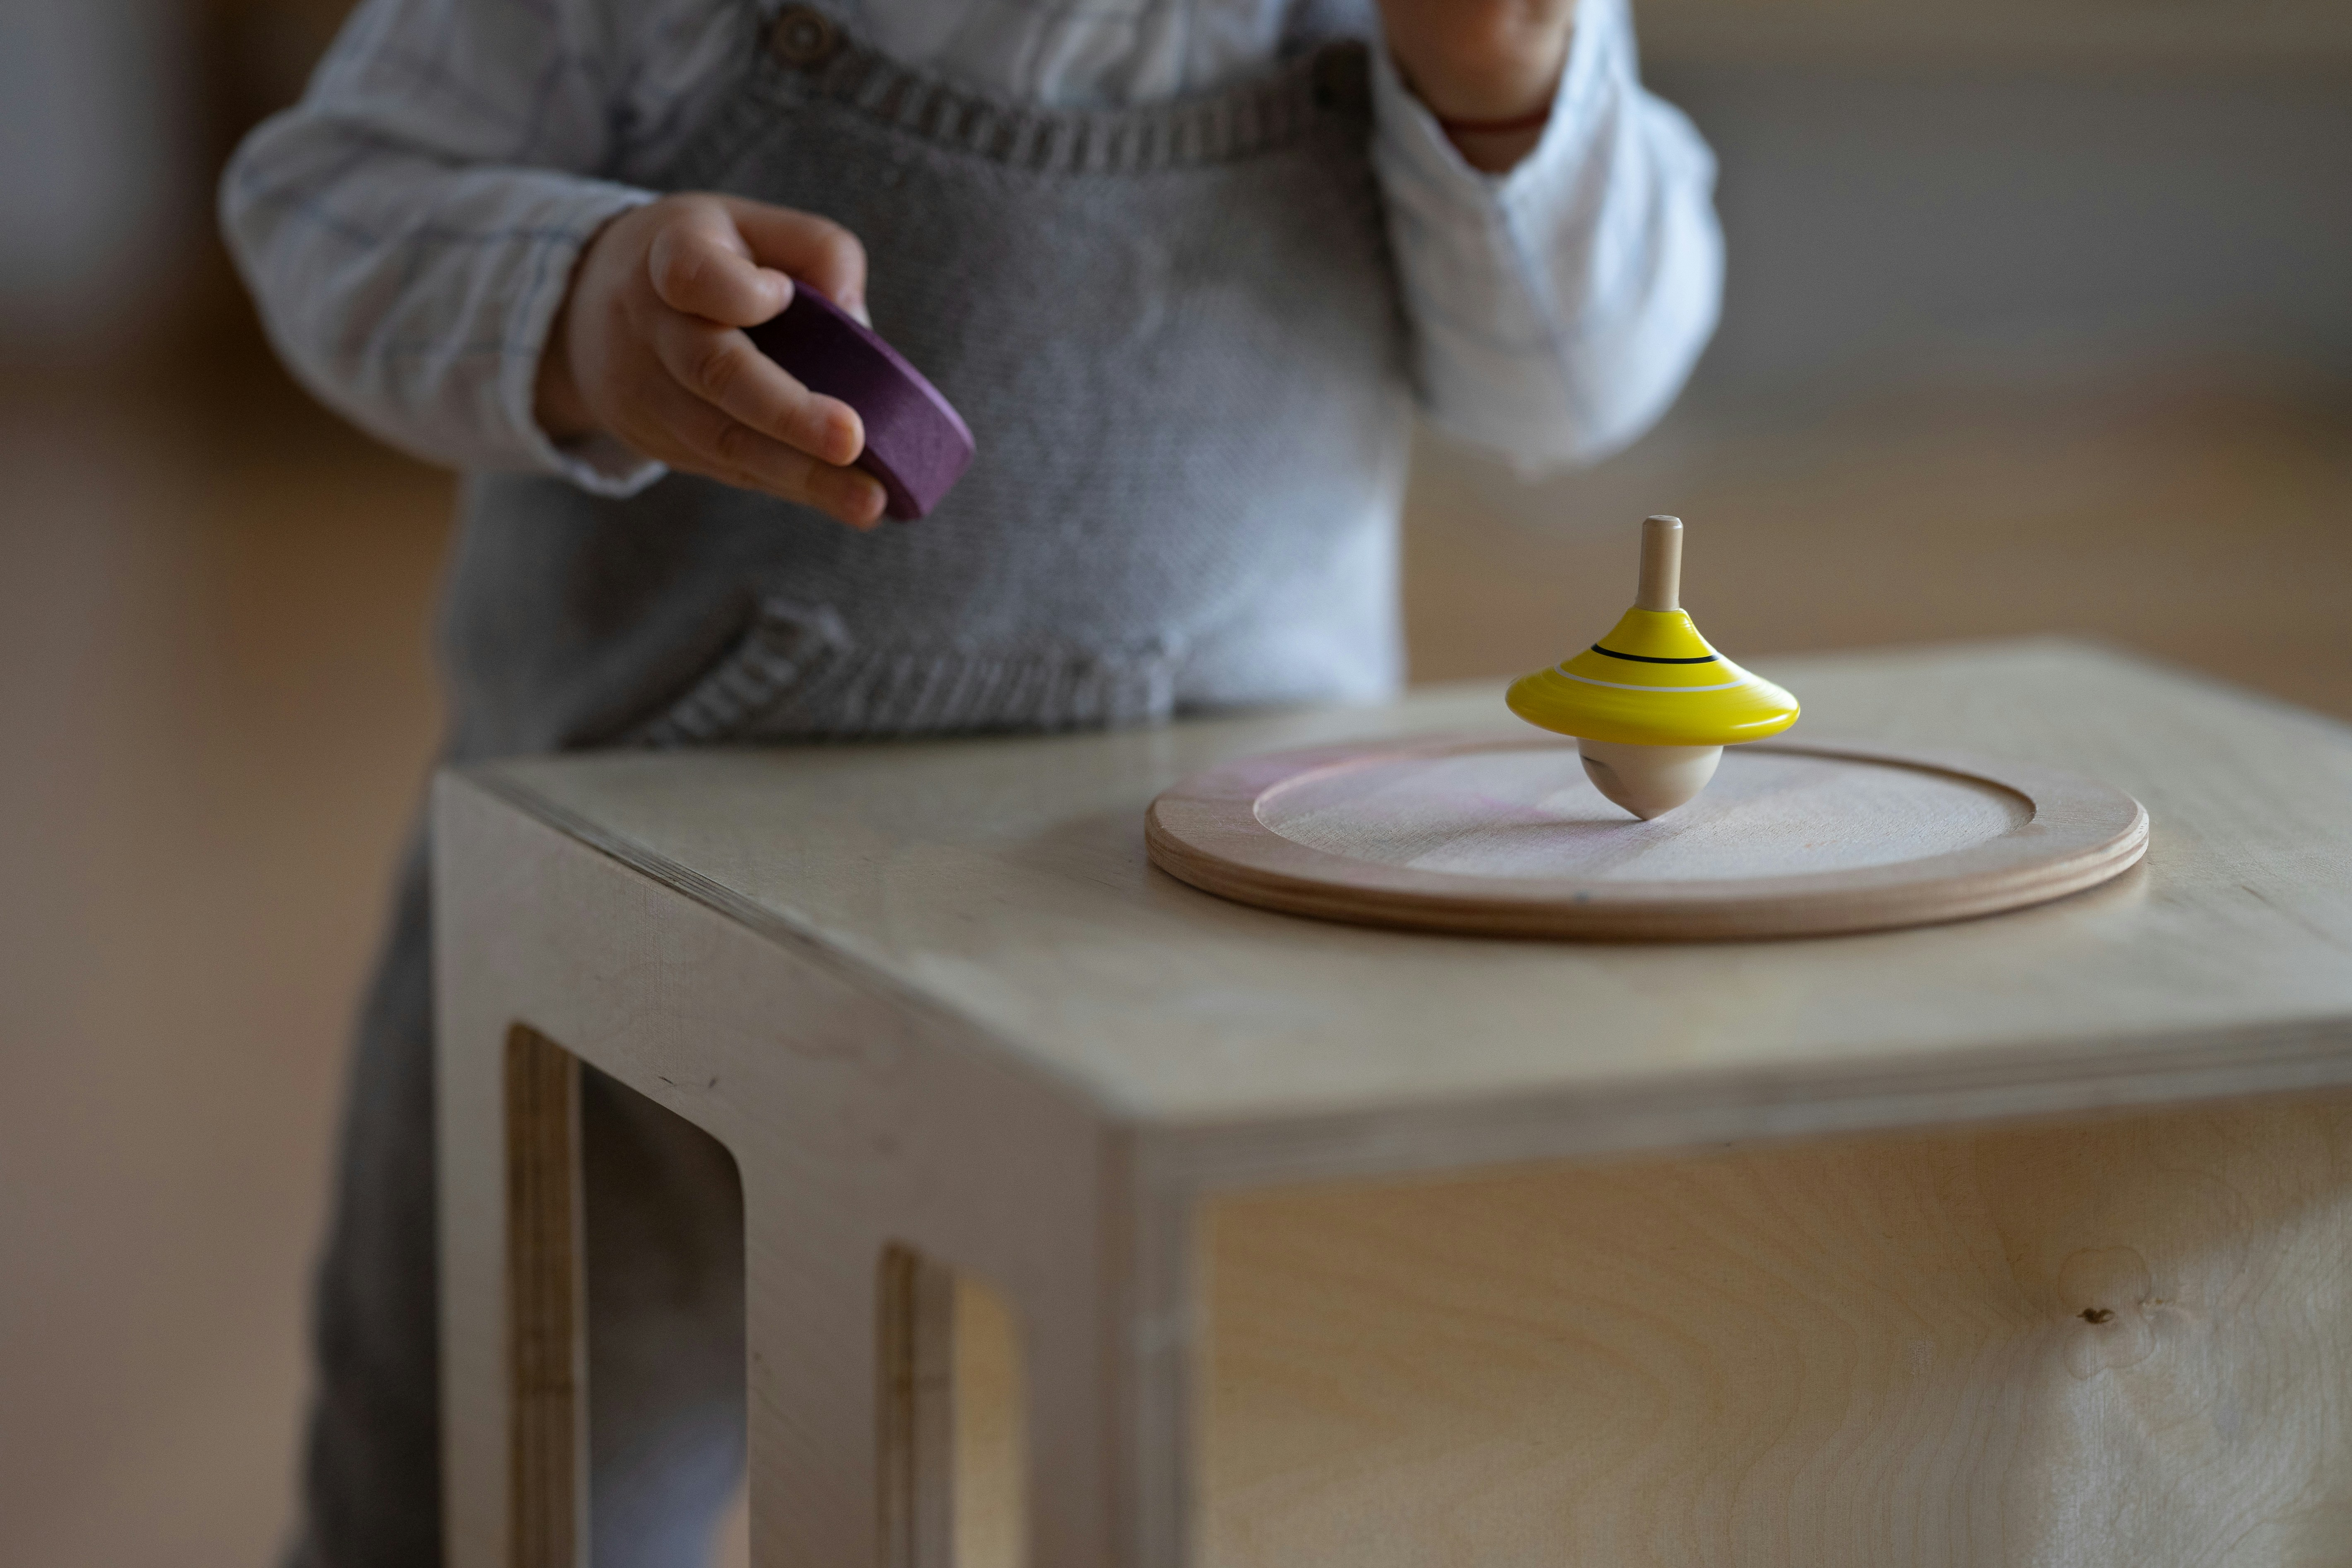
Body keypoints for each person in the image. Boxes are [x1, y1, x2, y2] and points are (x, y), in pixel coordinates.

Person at [222, 0, 1721, 1561]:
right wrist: (579, 308)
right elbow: (326, 204)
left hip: (1178, 971)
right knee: (486, 1489)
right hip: (630, 940)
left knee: (1169, 1480)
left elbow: (1579, 390)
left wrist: (1500, 90)